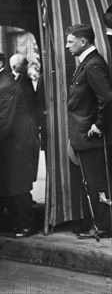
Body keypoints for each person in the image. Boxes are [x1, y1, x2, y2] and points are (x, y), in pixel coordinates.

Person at [0, 49, 39, 237]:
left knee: (17, 184)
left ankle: (27, 225)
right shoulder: (1, 80)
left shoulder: (5, 84)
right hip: (13, 140)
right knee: (10, 183)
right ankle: (18, 223)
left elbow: (3, 123)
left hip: (17, 142)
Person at [66, 24, 112, 239]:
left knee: (97, 182)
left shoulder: (92, 65)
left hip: (92, 136)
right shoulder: (87, 63)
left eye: (70, 41)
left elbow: (107, 99)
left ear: (83, 41)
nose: (67, 46)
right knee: (91, 181)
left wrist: (99, 125)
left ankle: (103, 226)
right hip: (84, 135)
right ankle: (97, 222)